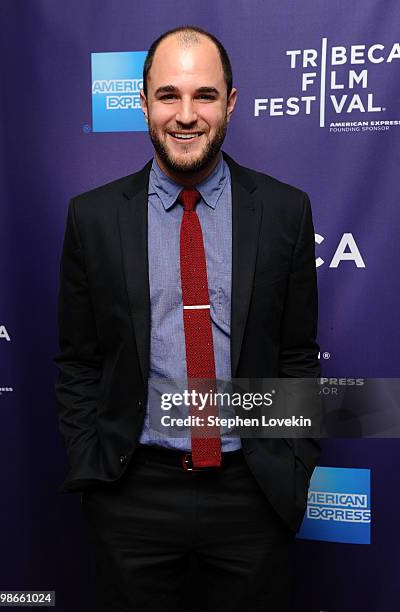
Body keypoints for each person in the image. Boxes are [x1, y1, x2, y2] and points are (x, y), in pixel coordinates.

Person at [54, 25, 321, 612]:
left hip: (251, 489)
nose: (185, 115)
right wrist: (92, 467)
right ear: (144, 102)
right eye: (169, 95)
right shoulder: (92, 218)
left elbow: (297, 354)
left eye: (204, 95)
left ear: (230, 102)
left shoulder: (284, 210)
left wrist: (293, 466)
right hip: (133, 494)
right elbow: (78, 361)